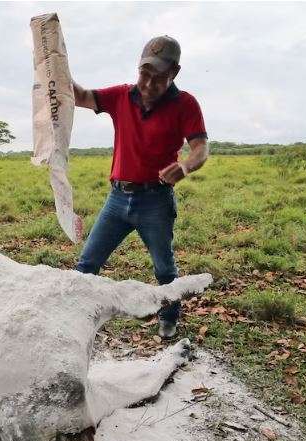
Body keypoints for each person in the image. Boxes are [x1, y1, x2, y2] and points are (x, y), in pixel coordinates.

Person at [72, 35, 209, 339]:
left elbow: (200, 148)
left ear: (174, 72)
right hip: (117, 199)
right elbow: (80, 96)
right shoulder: (121, 96)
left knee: (164, 268)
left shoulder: (185, 104)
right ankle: (71, 315)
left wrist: (185, 166)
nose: (148, 83)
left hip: (155, 201)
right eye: (144, 74)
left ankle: (169, 315)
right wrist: (54, 67)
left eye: (158, 77)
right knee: (87, 263)